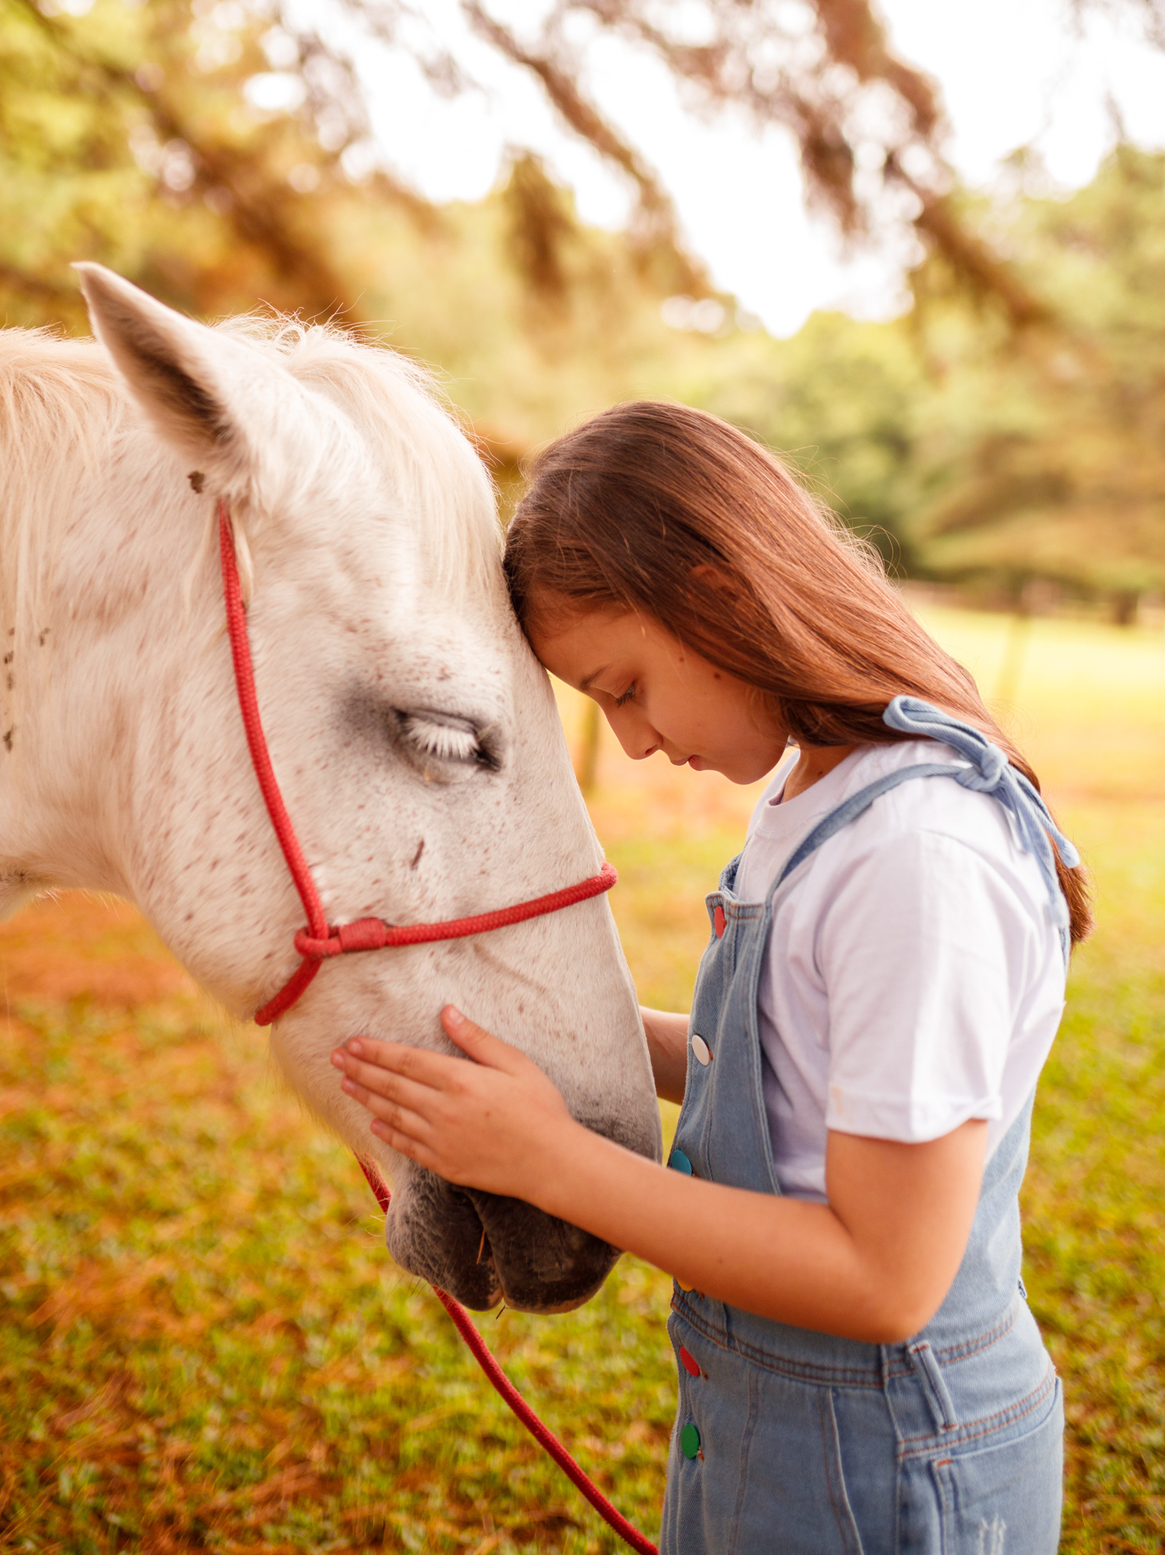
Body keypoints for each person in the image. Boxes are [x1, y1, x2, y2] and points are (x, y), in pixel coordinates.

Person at [331, 400, 1088, 1553]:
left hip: (892, 1474)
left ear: (722, 597)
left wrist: (548, 1159)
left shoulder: (914, 856)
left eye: (623, 686)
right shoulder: (817, 796)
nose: (630, 741)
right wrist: (570, 1032)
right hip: (773, 1436)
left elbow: (885, 1279)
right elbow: (789, 1071)